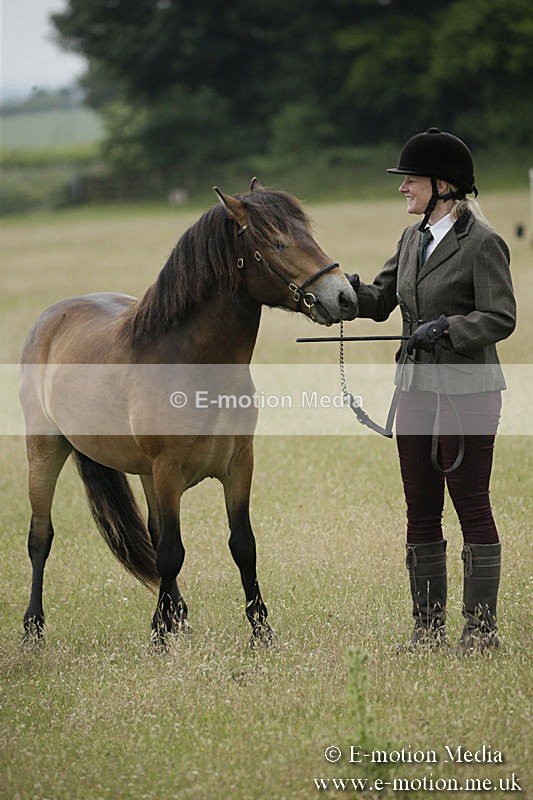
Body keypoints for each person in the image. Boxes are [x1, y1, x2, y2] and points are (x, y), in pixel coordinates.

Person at [348, 127, 516, 653]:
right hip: (416, 388)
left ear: (443, 185)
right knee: (420, 506)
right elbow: (381, 299)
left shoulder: (482, 243)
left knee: (470, 503)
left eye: (411, 180)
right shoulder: (411, 238)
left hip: (468, 391)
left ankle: (481, 632)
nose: (403, 188)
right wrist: (345, 293)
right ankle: (427, 631)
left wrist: (447, 328)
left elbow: (500, 317)